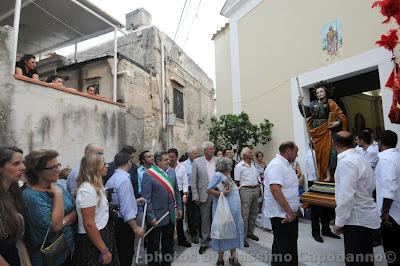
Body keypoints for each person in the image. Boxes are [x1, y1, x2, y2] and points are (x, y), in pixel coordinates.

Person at [333, 131, 380, 266]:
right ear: (353, 142)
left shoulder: (347, 162)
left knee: (356, 261)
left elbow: (346, 196)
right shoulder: (359, 158)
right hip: (363, 216)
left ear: (334, 144)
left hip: (356, 220)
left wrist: (339, 222)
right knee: (364, 259)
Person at [23, 149, 76, 266]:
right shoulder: (31, 196)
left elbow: (74, 211)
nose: (58, 169)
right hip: (48, 258)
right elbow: (54, 227)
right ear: (37, 171)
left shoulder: (57, 185)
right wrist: (58, 195)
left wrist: (62, 221)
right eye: (52, 167)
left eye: (58, 165)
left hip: (67, 249)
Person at [72, 153, 119, 266]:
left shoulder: (94, 187)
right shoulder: (87, 190)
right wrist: (104, 250)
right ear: (95, 167)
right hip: (93, 241)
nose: (107, 165)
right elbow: (89, 224)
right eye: (104, 163)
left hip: (102, 236)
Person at [298, 81, 348, 181]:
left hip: (328, 130)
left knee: (331, 153)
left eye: (321, 91)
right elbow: (306, 112)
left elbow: (340, 115)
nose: (320, 93)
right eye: (317, 92)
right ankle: (326, 175)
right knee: (321, 154)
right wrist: (300, 103)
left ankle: (333, 175)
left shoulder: (331, 103)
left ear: (325, 92)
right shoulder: (313, 104)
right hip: (317, 132)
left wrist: (337, 122)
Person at [141, 151, 183, 266]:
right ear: (158, 162)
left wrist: (179, 208)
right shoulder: (149, 174)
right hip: (156, 217)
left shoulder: (172, 172)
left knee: (168, 243)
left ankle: (166, 263)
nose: (169, 161)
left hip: (170, 215)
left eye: (169, 159)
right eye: (165, 160)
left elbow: (176, 192)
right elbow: (146, 199)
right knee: (153, 245)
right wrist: (151, 216)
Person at [264, 141, 300, 265]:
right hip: (282, 215)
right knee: (282, 247)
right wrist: (289, 212)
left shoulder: (286, 165)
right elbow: (275, 190)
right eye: (296, 151)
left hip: (290, 214)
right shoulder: (276, 165)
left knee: (290, 245)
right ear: (288, 151)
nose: (297, 155)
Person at [105, 152, 144, 266]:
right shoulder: (125, 181)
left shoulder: (111, 179)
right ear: (128, 162)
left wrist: (134, 201)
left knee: (120, 256)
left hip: (115, 222)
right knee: (126, 256)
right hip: (124, 225)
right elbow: (126, 210)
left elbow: (118, 201)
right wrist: (136, 227)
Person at [207, 157, 244, 266]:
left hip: (233, 212)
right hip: (223, 212)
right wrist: (222, 194)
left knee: (234, 233)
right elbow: (209, 189)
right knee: (222, 234)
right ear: (227, 166)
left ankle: (233, 258)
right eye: (230, 165)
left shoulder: (227, 175)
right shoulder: (218, 175)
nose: (231, 167)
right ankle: (220, 259)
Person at [0, 146, 31, 266]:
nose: (23, 167)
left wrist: (27, 263)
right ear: (1, 168)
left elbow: (19, 239)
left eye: (22, 163)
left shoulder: (15, 193)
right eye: (16, 163)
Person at [374, 130, 400, 266]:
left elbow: (389, 189)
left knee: (392, 252)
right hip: (396, 210)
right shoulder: (397, 156)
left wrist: (385, 212)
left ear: (380, 143)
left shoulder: (384, 159)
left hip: (392, 214)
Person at [305, 146, 338, 243]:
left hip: (324, 182)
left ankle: (326, 230)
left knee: (327, 209)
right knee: (316, 210)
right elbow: (314, 172)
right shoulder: (311, 154)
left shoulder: (323, 153)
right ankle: (316, 233)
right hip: (316, 182)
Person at [191, 141, 216, 254]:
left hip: (216, 194)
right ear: (205, 150)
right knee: (205, 219)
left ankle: (216, 241)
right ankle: (204, 242)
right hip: (203, 194)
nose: (213, 150)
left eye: (213, 149)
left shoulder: (218, 161)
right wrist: (195, 195)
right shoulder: (197, 162)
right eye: (210, 149)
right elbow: (193, 181)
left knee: (216, 218)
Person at [234, 147, 260, 247]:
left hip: (256, 189)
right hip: (245, 190)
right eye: (250, 152)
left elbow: (257, 177)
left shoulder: (253, 164)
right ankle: (243, 237)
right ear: (245, 155)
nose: (252, 153)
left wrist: (259, 188)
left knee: (254, 213)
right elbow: (237, 181)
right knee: (245, 215)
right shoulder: (239, 166)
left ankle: (250, 232)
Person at [168, 148, 191, 247]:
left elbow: (185, 182)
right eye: (169, 157)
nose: (170, 159)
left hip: (179, 194)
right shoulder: (165, 169)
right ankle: (169, 242)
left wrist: (185, 195)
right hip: (169, 195)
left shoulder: (182, 168)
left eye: (172, 157)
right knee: (170, 219)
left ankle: (181, 239)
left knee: (179, 218)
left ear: (177, 157)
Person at [135, 150, 154, 264]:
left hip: (153, 204)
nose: (152, 158)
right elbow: (139, 189)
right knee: (141, 232)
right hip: (142, 204)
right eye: (149, 157)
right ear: (143, 160)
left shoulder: (156, 171)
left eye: (152, 156)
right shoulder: (138, 171)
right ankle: (139, 258)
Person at [182, 146, 201, 244]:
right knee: (190, 212)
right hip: (189, 189)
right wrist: (185, 194)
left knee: (201, 211)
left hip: (200, 188)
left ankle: (202, 232)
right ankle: (193, 233)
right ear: (189, 155)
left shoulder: (201, 163)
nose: (197, 155)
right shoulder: (183, 165)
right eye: (195, 153)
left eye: (197, 153)